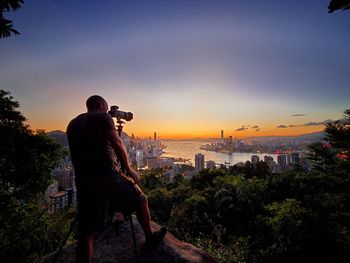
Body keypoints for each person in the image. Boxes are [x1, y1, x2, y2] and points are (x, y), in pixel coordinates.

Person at [67, 95, 166, 263]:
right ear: (100, 104)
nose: (109, 111)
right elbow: (117, 143)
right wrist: (128, 169)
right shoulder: (102, 117)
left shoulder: (73, 124)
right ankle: (149, 238)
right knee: (141, 200)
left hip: (83, 181)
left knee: (87, 233)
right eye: (106, 107)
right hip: (107, 175)